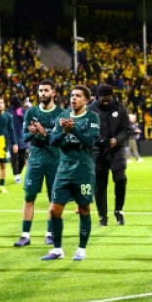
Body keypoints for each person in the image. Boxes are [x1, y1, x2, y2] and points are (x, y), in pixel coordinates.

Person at [40, 85, 100, 262]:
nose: (73, 98)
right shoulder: (63, 116)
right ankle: (57, 249)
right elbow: (52, 141)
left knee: (84, 210)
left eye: (78, 96)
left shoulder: (92, 117)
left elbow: (90, 142)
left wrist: (73, 130)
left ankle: (81, 250)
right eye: (72, 95)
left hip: (84, 171)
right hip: (64, 171)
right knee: (54, 210)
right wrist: (64, 132)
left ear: (86, 100)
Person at [14, 79, 61, 247]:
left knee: (54, 199)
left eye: (46, 90)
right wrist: (33, 132)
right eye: (40, 90)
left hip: (55, 161)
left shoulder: (61, 114)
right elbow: (24, 137)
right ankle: (25, 235)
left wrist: (43, 134)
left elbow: (58, 139)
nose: (42, 93)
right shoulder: (31, 112)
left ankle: (50, 234)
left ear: (53, 93)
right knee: (29, 197)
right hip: (35, 161)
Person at [89, 84, 130, 226]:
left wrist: (117, 139)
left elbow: (126, 129)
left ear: (112, 96)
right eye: (103, 100)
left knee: (121, 179)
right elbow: (88, 129)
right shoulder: (91, 109)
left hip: (116, 150)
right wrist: (100, 140)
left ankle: (118, 210)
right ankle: (102, 216)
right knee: (100, 184)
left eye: (108, 99)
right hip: (98, 151)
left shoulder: (121, 109)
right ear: (98, 97)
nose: (106, 102)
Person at [9, 97, 29, 185]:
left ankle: (18, 173)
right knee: (14, 158)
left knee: (22, 160)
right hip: (12, 139)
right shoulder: (9, 112)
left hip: (22, 139)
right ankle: (16, 175)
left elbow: (26, 121)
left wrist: (21, 115)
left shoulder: (22, 111)